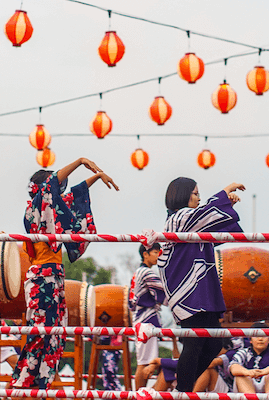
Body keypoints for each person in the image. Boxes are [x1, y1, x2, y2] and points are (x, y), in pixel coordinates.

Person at [12, 158, 118, 388]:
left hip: (54, 278)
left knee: (56, 335)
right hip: (41, 278)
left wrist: (96, 177)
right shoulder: (34, 210)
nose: (59, 192)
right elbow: (53, 186)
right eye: (55, 189)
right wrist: (80, 161)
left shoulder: (48, 207)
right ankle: (20, 385)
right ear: (44, 190)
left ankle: (41, 384)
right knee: (40, 333)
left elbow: (72, 196)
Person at [157, 178, 244, 392]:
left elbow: (215, 224)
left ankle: (182, 388)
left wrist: (226, 205)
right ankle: (183, 391)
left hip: (200, 288)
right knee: (194, 342)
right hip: (186, 289)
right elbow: (206, 215)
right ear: (183, 195)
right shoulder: (178, 218)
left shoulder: (191, 219)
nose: (198, 197)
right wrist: (224, 193)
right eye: (195, 193)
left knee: (214, 342)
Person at [130, 242, 165, 388]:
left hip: (140, 318)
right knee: (145, 363)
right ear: (146, 254)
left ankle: (141, 393)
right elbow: (163, 293)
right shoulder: (147, 273)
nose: (158, 255)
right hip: (146, 320)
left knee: (145, 361)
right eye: (155, 252)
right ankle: (140, 395)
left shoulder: (139, 272)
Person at [228, 323, 269, 394]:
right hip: (248, 386)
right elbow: (233, 367)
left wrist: (264, 371)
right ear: (250, 339)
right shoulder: (243, 352)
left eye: (264, 336)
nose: (260, 339)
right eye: (256, 336)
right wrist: (248, 372)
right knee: (240, 375)